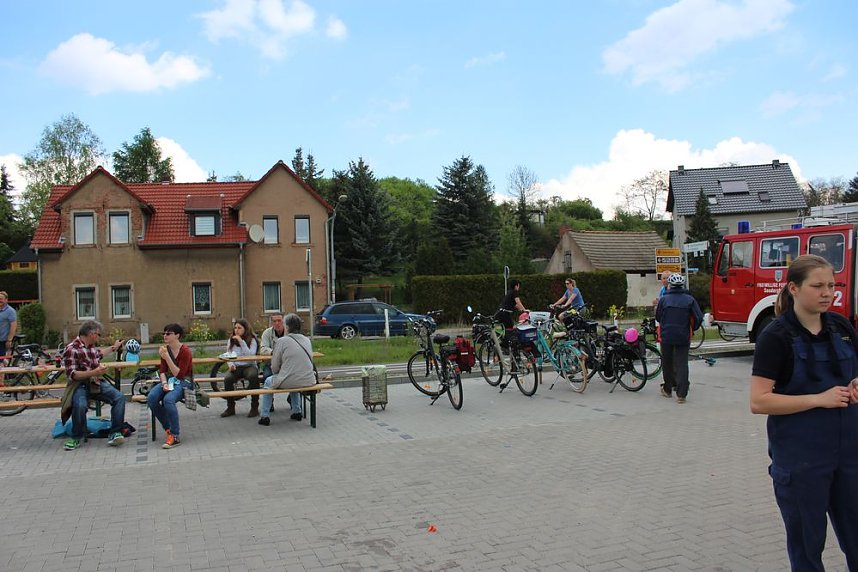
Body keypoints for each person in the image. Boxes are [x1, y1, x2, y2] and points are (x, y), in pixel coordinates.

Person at [750, 254, 858, 570]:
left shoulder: (840, 326)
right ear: (794, 288)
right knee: (808, 548)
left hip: (849, 455)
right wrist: (818, 399)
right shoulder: (776, 336)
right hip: (801, 461)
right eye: (817, 286)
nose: (827, 293)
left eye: (832, 285)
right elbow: (759, 401)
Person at [59, 320, 126, 451]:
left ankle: (115, 432)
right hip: (79, 385)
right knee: (79, 405)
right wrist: (94, 372)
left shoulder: (90, 347)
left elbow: (99, 354)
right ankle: (76, 436)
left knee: (119, 398)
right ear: (91, 334)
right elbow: (72, 375)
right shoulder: (72, 349)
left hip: (95, 382)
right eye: (98, 334)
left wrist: (114, 347)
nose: (99, 337)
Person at [258, 313, 315, 426]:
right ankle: (297, 411)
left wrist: (280, 373)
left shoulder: (282, 341)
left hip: (291, 379)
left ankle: (265, 416)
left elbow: (274, 366)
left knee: (268, 381)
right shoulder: (306, 340)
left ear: (287, 327)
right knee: (293, 380)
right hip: (308, 379)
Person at [655, 273, 703, 403]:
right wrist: (693, 329)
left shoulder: (664, 300)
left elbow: (658, 316)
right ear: (682, 285)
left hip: (667, 335)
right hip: (683, 335)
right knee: (682, 363)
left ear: (670, 285)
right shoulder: (689, 300)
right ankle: (681, 394)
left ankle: (667, 389)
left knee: (667, 362)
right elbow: (699, 317)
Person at [147, 323, 193, 449]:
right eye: (164, 333)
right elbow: (162, 371)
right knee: (151, 398)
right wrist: (164, 383)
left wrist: (167, 357)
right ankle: (168, 428)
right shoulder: (165, 349)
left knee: (168, 400)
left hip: (183, 381)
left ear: (177, 335)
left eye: (168, 333)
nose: (165, 336)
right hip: (168, 380)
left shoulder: (185, 351)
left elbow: (179, 374)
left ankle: (175, 435)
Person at [220, 319, 260, 418]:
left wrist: (241, 342)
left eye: (239, 328)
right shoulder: (231, 340)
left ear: (245, 329)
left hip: (249, 365)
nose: (236, 330)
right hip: (237, 366)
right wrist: (231, 365)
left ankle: (254, 406)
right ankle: (230, 407)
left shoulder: (252, 339)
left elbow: (250, 356)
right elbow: (228, 354)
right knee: (228, 379)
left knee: (253, 376)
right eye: (235, 328)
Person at [259, 313, 286, 380]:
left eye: (279, 320)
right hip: (270, 364)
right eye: (274, 321)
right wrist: (274, 352)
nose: (277, 323)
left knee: (295, 376)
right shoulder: (267, 333)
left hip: (287, 363)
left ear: (283, 322)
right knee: (267, 377)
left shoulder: (289, 332)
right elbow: (262, 349)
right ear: (272, 323)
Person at [0, 291, 17, 364]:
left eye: (1, 299)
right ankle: (9, 370)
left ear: (6, 300)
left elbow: (13, 326)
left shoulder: (10, 311)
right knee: (2, 360)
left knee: (0, 362)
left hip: (2, 340)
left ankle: (6, 373)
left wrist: (9, 340)